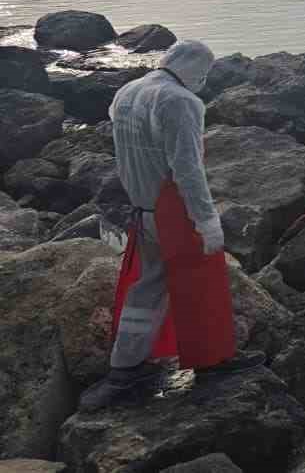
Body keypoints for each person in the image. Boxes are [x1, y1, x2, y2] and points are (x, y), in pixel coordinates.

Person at [80, 40, 264, 412]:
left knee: (147, 286)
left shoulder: (128, 92)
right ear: (196, 69)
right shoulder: (181, 102)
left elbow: (126, 150)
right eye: (206, 73)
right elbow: (187, 170)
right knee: (201, 286)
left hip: (142, 206)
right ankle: (208, 362)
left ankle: (127, 366)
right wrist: (206, 220)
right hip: (172, 211)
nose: (205, 80)